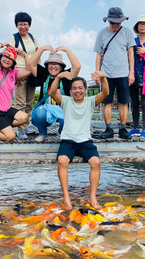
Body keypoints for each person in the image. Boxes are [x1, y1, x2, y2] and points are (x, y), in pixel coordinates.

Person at [49, 70, 109, 210]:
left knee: (96, 162)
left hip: (85, 141)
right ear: (70, 90)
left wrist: (104, 77)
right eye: (74, 88)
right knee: (62, 161)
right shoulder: (66, 101)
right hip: (68, 140)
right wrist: (58, 77)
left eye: (80, 88)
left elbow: (105, 93)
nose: (77, 91)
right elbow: (52, 93)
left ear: (85, 89)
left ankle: (92, 197)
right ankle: (66, 198)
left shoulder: (90, 101)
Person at [93, 7, 135, 139]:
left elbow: (130, 53)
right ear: (108, 21)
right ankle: (108, 128)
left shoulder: (127, 32)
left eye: (118, 22)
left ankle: (123, 128)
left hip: (123, 72)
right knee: (107, 102)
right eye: (113, 22)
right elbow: (99, 54)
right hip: (106, 74)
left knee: (124, 102)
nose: (116, 25)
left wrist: (131, 73)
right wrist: (98, 72)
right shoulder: (101, 33)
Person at [27, 45, 81, 143]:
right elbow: (31, 63)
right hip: (46, 108)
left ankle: (62, 132)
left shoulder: (66, 75)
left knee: (69, 114)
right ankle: (42, 133)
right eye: (50, 63)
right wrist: (42, 49)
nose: (53, 66)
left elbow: (77, 66)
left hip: (62, 109)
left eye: (57, 64)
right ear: (47, 66)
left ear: (61, 67)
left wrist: (67, 50)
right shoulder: (44, 74)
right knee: (38, 113)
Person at [8, 12, 39, 139]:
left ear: (29, 25)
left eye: (25, 24)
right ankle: (20, 129)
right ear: (16, 25)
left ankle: (26, 125)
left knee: (30, 101)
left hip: (32, 71)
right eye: (20, 24)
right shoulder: (13, 38)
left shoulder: (32, 37)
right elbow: (10, 56)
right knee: (20, 102)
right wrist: (15, 75)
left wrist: (38, 70)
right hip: (20, 71)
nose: (23, 27)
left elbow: (37, 53)